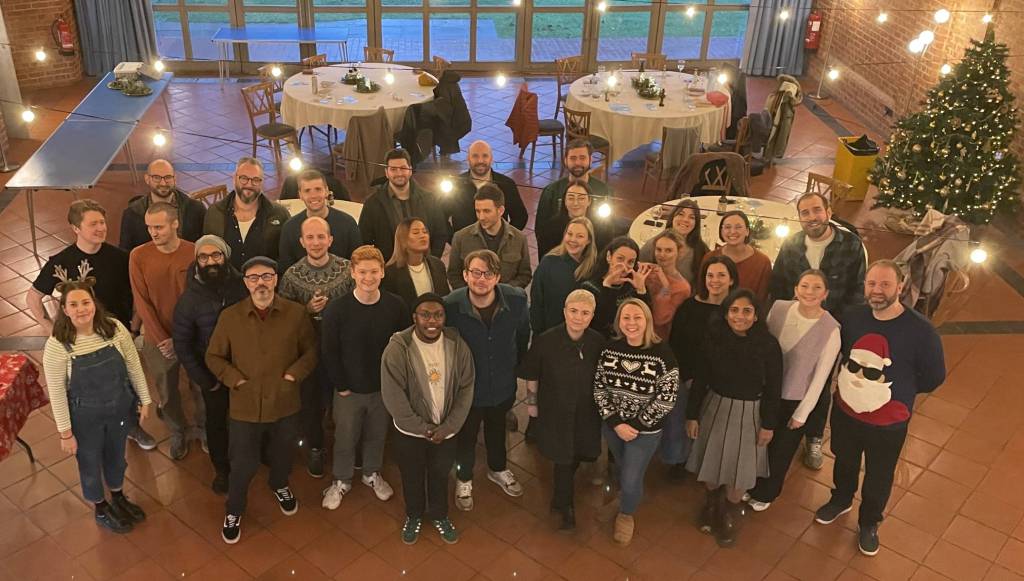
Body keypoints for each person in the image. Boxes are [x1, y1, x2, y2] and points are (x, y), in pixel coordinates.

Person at [814, 260, 945, 557]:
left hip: (888, 424)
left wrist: (902, 392)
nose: (877, 290)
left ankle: (869, 522)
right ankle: (841, 499)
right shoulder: (852, 317)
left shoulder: (921, 331)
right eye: (872, 284)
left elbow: (935, 376)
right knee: (844, 460)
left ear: (900, 286)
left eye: (885, 284)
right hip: (846, 412)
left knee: (879, 474)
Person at [206, 256, 318, 545]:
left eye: (267, 276)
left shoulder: (296, 313)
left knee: (283, 455)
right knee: (242, 464)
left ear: (276, 279)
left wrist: (294, 375)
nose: (261, 283)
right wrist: (236, 380)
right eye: (254, 278)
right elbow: (213, 356)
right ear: (245, 283)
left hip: (285, 403)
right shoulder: (230, 317)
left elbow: (311, 352)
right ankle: (234, 509)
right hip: (245, 406)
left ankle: (279, 484)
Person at [27, 200, 150, 449]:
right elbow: (32, 297)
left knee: (125, 384)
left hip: (116, 334)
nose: (100, 228)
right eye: (93, 224)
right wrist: (49, 327)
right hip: (80, 342)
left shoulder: (120, 258)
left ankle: (132, 427)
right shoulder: (61, 261)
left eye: (102, 222)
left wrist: (134, 328)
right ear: (75, 228)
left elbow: (138, 296)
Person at [42, 279, 152, 534]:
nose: (81, 309)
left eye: (85, 302)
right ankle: (101, 507)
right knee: (90, 462)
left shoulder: (114, 329)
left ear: (94, 304)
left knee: (116, 456)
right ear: (65, 310)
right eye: (73, 305)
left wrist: (145, 399)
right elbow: (57, 392)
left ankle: (118, 496)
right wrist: (65, 433)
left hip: (119, 409)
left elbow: (134, 364)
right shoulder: (57, 345)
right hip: (85, 417)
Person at [769, 192, 867, 471]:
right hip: (795, 321)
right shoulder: (792, 245)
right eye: (805, 213)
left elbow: (857, 291)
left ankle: (813, 436)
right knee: (786, 373)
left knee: (821, 383)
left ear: (828, 211)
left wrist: (832, 328)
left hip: (829, 327)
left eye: (816, 211)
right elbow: (779, 283)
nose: (812, 217)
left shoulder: (850, 244)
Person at [686, 289, 782, 548]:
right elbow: (701, 378)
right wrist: (692, 415)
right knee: (712, 462)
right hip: (715, 407)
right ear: (726, 313)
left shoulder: (769, 346)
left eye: (747, 311)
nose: (740, 316)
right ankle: (711, 504)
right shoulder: (714, 338)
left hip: (751, 413)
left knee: (741, 470)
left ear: (756, 316)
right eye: (734, 310)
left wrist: (769, 424)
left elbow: (775, 388)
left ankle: (728, 511)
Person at [381, 293, 475, 545]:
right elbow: (393, 397)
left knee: (440, 474)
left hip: (446, 431)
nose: (431, 321)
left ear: (444, 317)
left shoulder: (457, 344)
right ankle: (413, 516)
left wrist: (449, 427)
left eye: (438, 315)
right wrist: (423, 429)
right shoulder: (398, 348)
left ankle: (440, 515)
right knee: (411, 475)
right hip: (410, 433)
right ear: (414, 317)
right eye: (425, 315)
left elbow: (466, 388)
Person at [320, 246, 409, 509]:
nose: (368, 277)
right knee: (345, 436)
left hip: (383, 389)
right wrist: (341, 385)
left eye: (373, 271)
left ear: (382, 271)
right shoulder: (337, 309)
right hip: (349, 389)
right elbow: (329, 349)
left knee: (377, 433)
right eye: (362, 272)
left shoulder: (396, 306)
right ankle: (341, 480)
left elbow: (404, 348)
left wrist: (395, 385)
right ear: (352, 273)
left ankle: (372, 473)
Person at [747, 270, 840, 512]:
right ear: (796, 289)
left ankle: (767, 492)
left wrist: (803, 413)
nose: (810, 292)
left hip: (793, 398)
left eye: (817, 287)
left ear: (825, 293)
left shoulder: (830, 329)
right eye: (805, 286)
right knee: (756, 441)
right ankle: (749, 482)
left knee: (780, 450)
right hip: (765, 391)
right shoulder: (778, 308)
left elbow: (821, 378)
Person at [445, 250, 531, 511]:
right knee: (466, 436)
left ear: (497, 277)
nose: (480, 279)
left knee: (497, 429)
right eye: (475, 272)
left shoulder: (516, 301)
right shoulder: (450, 306)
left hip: (503, 384)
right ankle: (464, 477)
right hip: (467, 389)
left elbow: (522, 335)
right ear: (465, 274)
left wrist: (514, 368)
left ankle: (498, 468)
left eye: (488, 274)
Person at [594, 299, 679, 546]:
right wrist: (616, 422)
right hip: (614, 426)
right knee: (624, 465)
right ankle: (626, 496)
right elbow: (599, 387)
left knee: (631, 476)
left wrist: (638, 426)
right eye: (626, 318)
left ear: (647, 321)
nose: (631, 323)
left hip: (646, 431)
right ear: (619, 322)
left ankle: (626, 514)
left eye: (637, 317)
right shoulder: (610, 350)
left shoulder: (663, 354)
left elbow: (667, 398)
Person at [519, 289, 603, 531]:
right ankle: (564, 505)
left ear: (592, 316)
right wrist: (532, 408)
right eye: (574, 311)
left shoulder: (597, 342)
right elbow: (532, 376)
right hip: (555, 409)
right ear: (564, 311)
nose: (578, 317)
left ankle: (563, 494)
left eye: (585, 313)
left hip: (587, 411)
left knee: (578, 451)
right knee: (563, 456)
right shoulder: (545, 341)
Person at [278, 217, 355, 478]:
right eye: (309, 237)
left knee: (346, 400)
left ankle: (349, 448)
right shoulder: (291, 275)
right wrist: (307, 310)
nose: (316, 242)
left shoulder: (348, 270)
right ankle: (316, 447)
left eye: (321, 236)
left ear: (330, 239)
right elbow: (283, 318)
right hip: (308, 350)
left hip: (343, 347)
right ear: (301, 242)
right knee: (311, 403)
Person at [172, 235, 248, 494]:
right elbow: (182, 345)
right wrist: (206, 380)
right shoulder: (189, 300)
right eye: (203, 257)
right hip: (213, 376)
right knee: (216, 423)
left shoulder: (242, 285)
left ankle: (255, 456)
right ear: (197, 261)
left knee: (250, 417)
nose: (210, 261)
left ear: (225, 256)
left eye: (216, 255)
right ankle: (222, 470)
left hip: (246, 370)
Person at [129, 203, 202, 461]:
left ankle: (204, 429)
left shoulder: (194, 252)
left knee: (200, 387)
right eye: (149, 227)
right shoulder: (138, 256)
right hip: (158, 341)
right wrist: (163, 340)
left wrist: (182, 338)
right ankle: (177, 431)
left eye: (158, 227)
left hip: (192, 336)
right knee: (167, 392)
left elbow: (200, 299)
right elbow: (142, 302)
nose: (153, 233)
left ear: (175, 224)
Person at [664, 256, 739, 480]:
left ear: (732, 279)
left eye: (721, 275)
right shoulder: (689, 306)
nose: (715, 280)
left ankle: (703, 464)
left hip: (719, 381)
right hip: (686, 375)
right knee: (680, 423)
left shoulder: (737, 311)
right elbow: (675, 342)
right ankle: (679, 461)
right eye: (710, 275)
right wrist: (685, 376)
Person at [359, 148, 449, 260]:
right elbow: (364, 240)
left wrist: (431, 260)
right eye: (393, 169)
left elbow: (440, 233)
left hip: (423, 264)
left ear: (410, 170)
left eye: (403, 168)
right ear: (386, 173)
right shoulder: (372, 204)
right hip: (389, 268)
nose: (399, 173)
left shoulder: (429, 199)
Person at [203, 157, 290, 270]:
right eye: (244, 178)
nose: (249, 184)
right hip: (226, 285)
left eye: (255, 180)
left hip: (264, 285)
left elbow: (286, 257)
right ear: (234, 178)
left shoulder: (279, 214)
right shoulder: (215, 213)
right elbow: (206, 254)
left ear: (261, 182)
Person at [447, 184, 532, 290]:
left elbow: (524, 275)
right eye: (478, 211)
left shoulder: (519, 239)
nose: (481, 217)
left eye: (487, 211)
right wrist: (474, 294)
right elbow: (454, 275)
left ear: (500, 210)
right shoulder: (460, 238)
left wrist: (501, 293)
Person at [277, 169, 362, 272]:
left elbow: (358, 264)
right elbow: (286, 269)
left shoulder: (348, 224)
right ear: (300, 195)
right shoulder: (289, 228)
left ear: (326, 191)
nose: (313, 196)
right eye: (307, 191)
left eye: (318, 189)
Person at [536, 139, 612, 245]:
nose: (577, 163)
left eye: (582, 158)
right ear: (565, 160)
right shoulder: (551, 191)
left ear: (590, 160)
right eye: (573, 158)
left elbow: (608, 229)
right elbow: (541, 231)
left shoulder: (603, 190)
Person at [530, 217, 598, 335]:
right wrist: (539, 334)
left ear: (588, 241)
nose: (573, 239)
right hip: (548, 333)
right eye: (569, 234)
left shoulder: (593, 269)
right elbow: (536, 301)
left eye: (580, 236)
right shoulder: (549, 262)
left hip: (579, 335)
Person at [120, 159, 206, 252]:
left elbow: (205, 245)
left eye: (168, 177)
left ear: (175, 179)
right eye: (156, 178)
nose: (163, 183)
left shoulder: (196, 209)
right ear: (147, 179)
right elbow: (125, 251)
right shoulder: (132, 213)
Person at [446, 140, 528, 232]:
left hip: (498, 245)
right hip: (465, 245)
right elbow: (442, 216)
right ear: (468, 159)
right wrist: (455, 240)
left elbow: (521, 217)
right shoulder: (455, 185)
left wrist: (507, 239)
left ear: (491, 159)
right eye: (475, 156)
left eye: (485, 156)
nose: (480, 161)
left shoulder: (507, 184)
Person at [583, 237, 653, 338]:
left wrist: (641, 290)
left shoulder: (633, 286)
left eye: (630, 262)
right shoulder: (589, 287)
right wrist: (607, 286)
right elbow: (602, 321)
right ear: (609, 256)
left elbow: (647, 321)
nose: (624, 266)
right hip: (601, 343)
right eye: (620, 258)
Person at [703, 211, 772, 303]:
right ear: (721, 231)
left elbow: (761, 300)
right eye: (727, 227)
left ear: (747, 231)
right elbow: (702, 293)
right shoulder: (710, 258)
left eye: (738, 227)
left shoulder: (762, 262)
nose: (732, 231)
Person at [638, 200, 709, 287]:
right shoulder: (653, 245)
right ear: (672, 218)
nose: (685, 220)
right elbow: (638, 272)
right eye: (681, 214)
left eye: (691, 217)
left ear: (696, 223)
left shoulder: (701, 250)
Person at [383, 218, 450, 308]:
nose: (423, 236)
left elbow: (445, 298)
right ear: (403, 239)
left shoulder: (437, 264)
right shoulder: (390, 272)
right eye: (416, 233)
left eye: (425, 232)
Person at [535, 180, 613, 258]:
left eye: (581, 198)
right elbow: (545, 257)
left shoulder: (602, 228)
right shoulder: (550, 228)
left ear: (589, 201)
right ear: (565, 201)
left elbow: (604, 257)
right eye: (571, 198)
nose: (575, 203)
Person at [645, 231, 693, 339]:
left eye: (668, 251)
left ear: (679, 252)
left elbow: (660, 318)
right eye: (659, 249)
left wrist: (665, 287)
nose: (662, 255)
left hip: (657, 339)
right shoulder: (647, 272)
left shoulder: (682, 288)